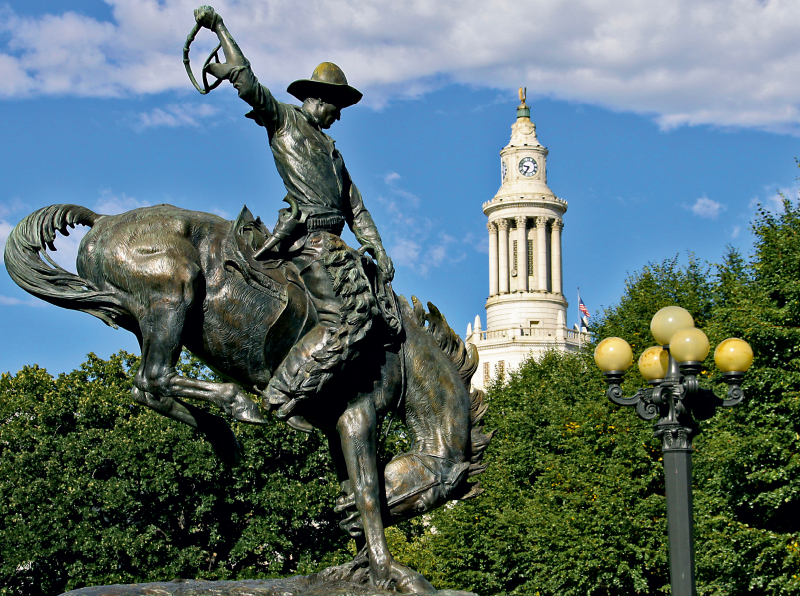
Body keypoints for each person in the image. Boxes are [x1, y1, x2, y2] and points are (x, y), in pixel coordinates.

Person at [193, 6, 396, 433]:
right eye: (336, 105)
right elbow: (246, 80)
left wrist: (376, 245)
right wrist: (221, 27)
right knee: (345, 319)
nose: (338, 114)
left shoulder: (332, 151)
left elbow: (355, 207)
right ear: (318, 99)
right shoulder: (284, 120)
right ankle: (285, 393)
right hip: (310, 242)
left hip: (337, 246)